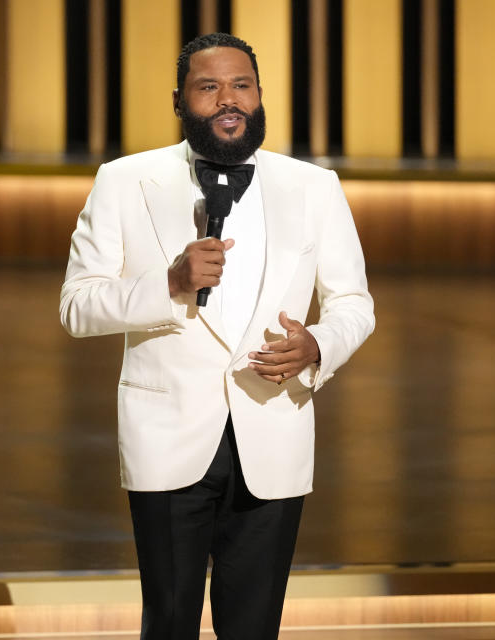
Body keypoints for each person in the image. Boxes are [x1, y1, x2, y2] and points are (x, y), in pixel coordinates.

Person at [60, 32, 374, 640]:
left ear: (259, 96)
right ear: (179, 100)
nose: (228, 100)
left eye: (242, 86)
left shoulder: (314, 187)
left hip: (273, 434)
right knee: (170, 622)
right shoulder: (126, 181)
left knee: (255, 628)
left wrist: (317, 345)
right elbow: (77, 306)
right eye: (209, 88)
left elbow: (354, 303)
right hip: (167, 437)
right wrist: (169, 283)